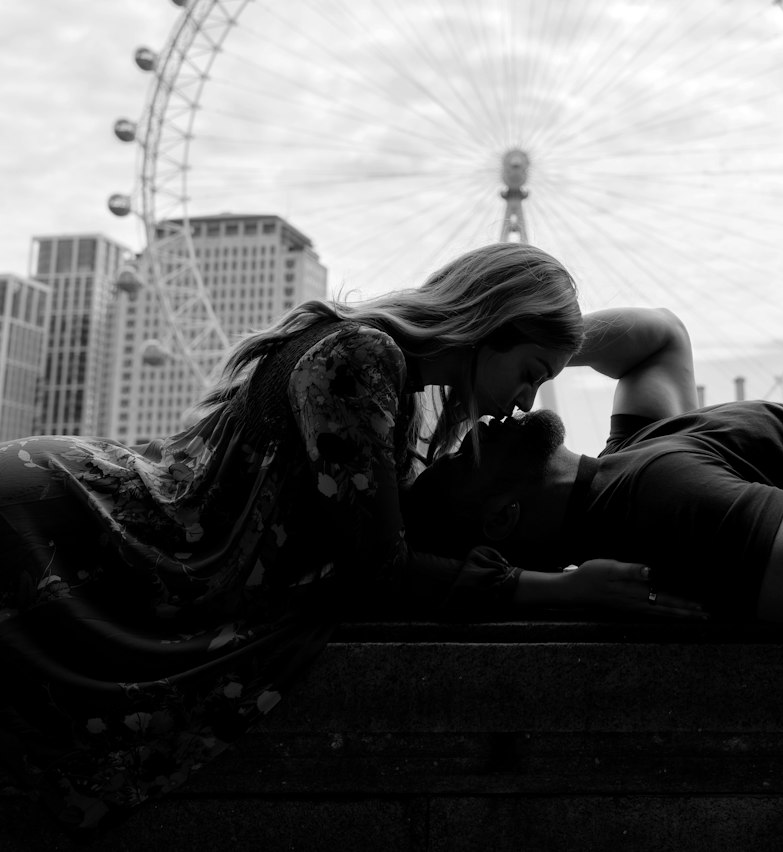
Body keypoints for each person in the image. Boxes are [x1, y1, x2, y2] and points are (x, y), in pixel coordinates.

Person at [0, 242, 671, 831]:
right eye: (531, 371)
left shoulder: (377, 368)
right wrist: (560, 590)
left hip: (78, 515)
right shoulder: (362, 357)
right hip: (61, 519)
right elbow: (377, 568)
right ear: (492, 326)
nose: (526, 401)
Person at [403, 304, 783, 633]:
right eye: (456, 462)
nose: (472, 429)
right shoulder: (655, 507)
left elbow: (659, 338)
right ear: (502, 518)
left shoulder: (627, 461)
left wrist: (512, 348)